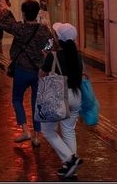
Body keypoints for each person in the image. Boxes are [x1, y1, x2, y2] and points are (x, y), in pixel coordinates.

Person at [0, 0, 53, 146]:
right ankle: (36, 136)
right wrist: (44, 52)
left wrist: (4, 9)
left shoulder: (20, 29)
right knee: (37, 103)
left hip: (22, 70)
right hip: (38, 71)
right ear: (36, 13)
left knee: (17, 99)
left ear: (23, 14)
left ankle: (24, 130)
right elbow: (51, 44)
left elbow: (6, 24)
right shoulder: (43, 29)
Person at [39, 23, 84, 179]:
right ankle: (71, 168)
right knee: (68, 130)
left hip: (57, 95)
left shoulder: (53, 55)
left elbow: (42, 75)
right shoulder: (77, 55)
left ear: (59, 38)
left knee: (48, 131)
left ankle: (70, 160)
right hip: (76, 96)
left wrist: (47, 59)